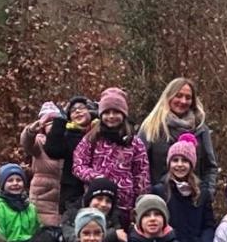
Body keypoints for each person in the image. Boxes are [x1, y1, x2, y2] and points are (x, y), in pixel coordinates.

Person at [72, 87, 151, 229]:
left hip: (125, 205)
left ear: (124, 114)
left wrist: (140, 203)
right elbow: (78, 165)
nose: (111, 116)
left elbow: (141, 174)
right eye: (107, 112)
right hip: (98, 201)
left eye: (116, 112)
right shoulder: (92, 138)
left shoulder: (134, 142)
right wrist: (96, 177)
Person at [138, 77, 220, 202]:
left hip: (193, 200)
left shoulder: (200, 129)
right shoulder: (151, 127)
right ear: (169, 97)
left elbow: (210, 166)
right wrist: (147, 196)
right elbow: (139, 165)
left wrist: (207, 194)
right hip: (159, 201)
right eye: (179, 95)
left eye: (188, 97)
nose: (183, 101)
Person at [153, 134, 214, 242]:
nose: (179, 165)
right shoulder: (159, 191)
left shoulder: (202, 194)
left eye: (185, 161)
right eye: (175, 160)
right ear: (169, 163)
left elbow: (209, 224)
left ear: (191, 164)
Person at [42, 96, 95, 218]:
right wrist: (60, 121)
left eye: (82, 108)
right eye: (73, 110)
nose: (77, 111)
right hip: (72, 193)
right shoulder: (67, 135)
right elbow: (52, 150)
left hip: (98, 190)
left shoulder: (100, 131)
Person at [21, 101, 67, 230]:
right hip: (42, 197)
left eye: (55, 122)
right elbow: (26, 143)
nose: (52, 126)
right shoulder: (40, 142)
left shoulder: (66, 142)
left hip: (62, 197)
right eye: (48, 122)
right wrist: (30, 131)